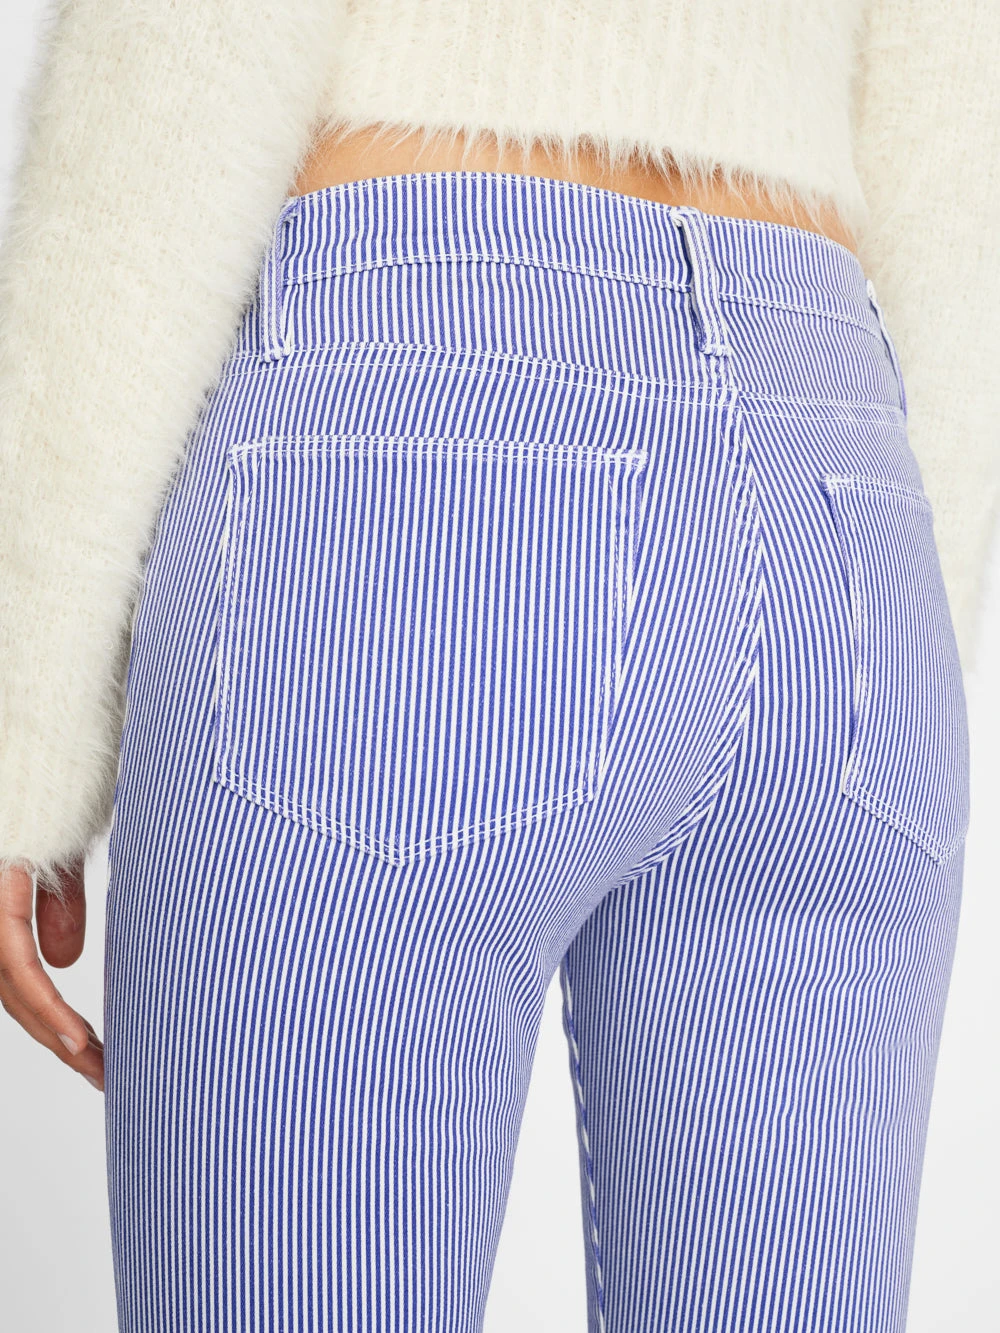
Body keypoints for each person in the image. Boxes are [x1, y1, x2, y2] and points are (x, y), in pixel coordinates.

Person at [0, 2, 996, 1329]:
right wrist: (911, 621)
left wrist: (24, 721)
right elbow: (958, 115)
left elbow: (188, 51)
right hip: (840, 493)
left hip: (421, 442)